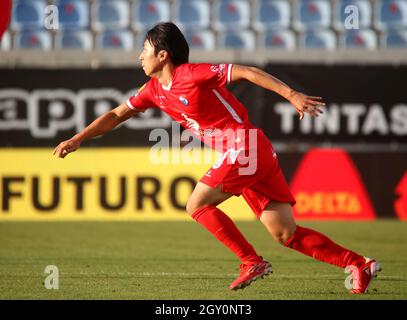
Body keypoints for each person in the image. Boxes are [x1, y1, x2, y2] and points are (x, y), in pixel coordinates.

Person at [54, 22, 380, 293]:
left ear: (163, 54)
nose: (140, 56)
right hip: (253, 153)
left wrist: (292, 94)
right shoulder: (153, 90)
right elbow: (115, 114)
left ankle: (251, 261)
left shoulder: (193, 74)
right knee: (286, 234)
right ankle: (359, 264)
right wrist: (78, 139)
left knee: (196, 204)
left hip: (245, 145)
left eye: (145, 49)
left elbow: (248, 72)